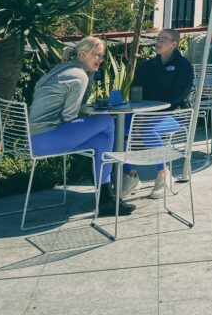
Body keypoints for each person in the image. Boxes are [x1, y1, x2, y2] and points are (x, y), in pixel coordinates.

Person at [28, 37, 133, 217]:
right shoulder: (79, 76)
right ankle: (108, 195)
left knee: (101, 140)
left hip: (36, 139)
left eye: (102, 56)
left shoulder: (62, 68)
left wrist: (90, 76)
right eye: (97, 55)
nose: (100, 60)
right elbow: (70, 116)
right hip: (46, 138)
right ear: (84, 54)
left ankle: (106, 198)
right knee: (107, 121)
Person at [122, 28, 194, 199]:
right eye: (157, 38)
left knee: (146, 128)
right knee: (115, 126)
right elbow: (136, 90)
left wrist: (147, 116)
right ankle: (130, 175)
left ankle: (162, 172)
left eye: (164, 38)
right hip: (145, 113)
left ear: (174, 43)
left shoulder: (183, 66)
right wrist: (140, 113)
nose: (158, 42)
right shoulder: (147, 66)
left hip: (176, 114)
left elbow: (177, 97)